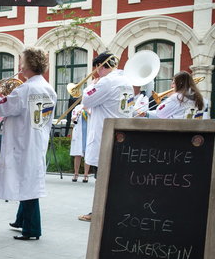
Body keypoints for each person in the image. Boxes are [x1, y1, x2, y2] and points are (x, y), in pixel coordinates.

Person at [0, 47, 56, 240]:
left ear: (27, 65)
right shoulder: (48, 88)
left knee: (27, 183)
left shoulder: (25, 89)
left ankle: (32, 229)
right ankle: (21, 220)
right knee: (28, 178)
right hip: (37, 139)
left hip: (22, 141)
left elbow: (2, 109)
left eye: (22, 62)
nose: (19, 65)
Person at [78, 51, 134, 221]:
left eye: (96, 70)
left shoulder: (107, 81)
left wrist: (92, 84)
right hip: (121, 134)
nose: (96, 74)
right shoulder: (127, 81)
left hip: (105, 135)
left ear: (101, 66)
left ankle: (99, 212)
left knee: (102, 178)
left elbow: (86, 100)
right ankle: (115, 211)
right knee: (115, 177)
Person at [139, 71, 209, 119]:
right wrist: (147, 113)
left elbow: (160, 113)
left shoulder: (176, 98)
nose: (171, 86)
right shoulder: (203, 100)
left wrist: (170, 98)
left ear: (179, 84)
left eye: (173, 83)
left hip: (178, 134)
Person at [69, 104, 90, 182]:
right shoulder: (77, 108)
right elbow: (73, 119)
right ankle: (76, 174)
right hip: (79, 133)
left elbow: (94, 116)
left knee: (87, 154)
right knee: (77, 154)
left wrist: (86, 110)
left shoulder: (92, 107)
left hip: (88, 132)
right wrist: (77, 114)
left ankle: (86, 175)